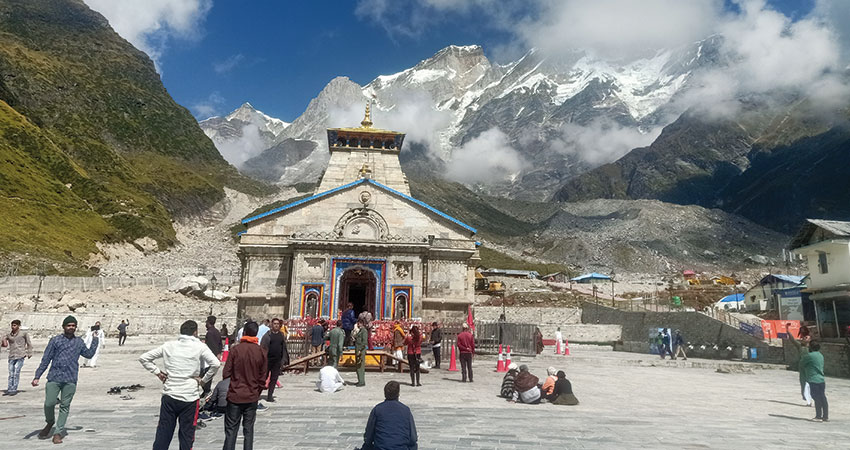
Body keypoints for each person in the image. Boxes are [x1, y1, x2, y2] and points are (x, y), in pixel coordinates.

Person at [139, 320, 221, 450]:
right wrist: (204, 380)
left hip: (170, 394)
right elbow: (215, 364)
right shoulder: (200, 346)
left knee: (163, 432)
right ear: (195, 332)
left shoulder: (169, 345)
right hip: (190, 397)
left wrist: (158, 372)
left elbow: (144, 358)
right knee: (187, 435)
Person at [32, 315, 99, 444]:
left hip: (70, 378)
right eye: (69, 325)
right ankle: (50, 422)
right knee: (49, 403)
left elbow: (89, 354)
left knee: (65, 406)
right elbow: (46, 358)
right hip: (54, 377)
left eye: (73, 326)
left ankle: (58, 432)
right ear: (64, 327)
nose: (71, 327)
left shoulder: (79, 342)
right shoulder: (55, 341)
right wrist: (37, 376)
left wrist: (95, 340)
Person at [222, 321, 267, 450]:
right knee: (248, 430)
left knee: (231, 430)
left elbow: (226, 373)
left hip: (235, 395)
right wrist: (256, 391)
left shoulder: (235, 350)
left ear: (245, 332)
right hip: (251, 396)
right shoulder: (261, 352)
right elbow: (263, 377)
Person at [361, 381, 417, 450]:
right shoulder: (406, 410)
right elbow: (413, 438)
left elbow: (368, 436)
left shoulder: (377, 409)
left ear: (385, 394)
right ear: (398, 394)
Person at [260, 318, 290, 402]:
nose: (276, 325)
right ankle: (257, 393)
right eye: (274, 324)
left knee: (274, 379)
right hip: (268, 360)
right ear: (271, 325)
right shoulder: (267, 335)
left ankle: (270, 396)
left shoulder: (281, 335)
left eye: (277, 324)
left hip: (277, 361)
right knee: (263, 377)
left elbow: (283, 348)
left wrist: (284, 359)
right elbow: (263, 347)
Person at [3, 319, 33, 396]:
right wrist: (3, 340)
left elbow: (29, 343)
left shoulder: (23, 334)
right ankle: (10, 388)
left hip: (20, 355)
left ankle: (14, 389)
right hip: (12, 356)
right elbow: (4, 344)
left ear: (18, 326)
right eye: (12, 325)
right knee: (11, 373)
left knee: (16, 372)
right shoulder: (9, 335)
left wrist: (29, 352)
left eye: (15, 325)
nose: (13, 327)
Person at [800, 341, 828, 422]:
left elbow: (801, 363)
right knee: (823, 397)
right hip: (821, 379)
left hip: (813, 379)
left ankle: (818, 416)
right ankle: (825, 416)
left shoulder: (809, 356)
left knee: (816, 397)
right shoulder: (820, 355)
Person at [203, 315, 223, 396]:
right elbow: (220, 344)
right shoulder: (217, 332)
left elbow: (211, 346)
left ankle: (206, 391)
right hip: (215, 355)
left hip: (210, 356)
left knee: (207, 373)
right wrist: (219, 353)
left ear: (209, 323)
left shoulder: (210, 333)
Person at [354, 318, 368, 387]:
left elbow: (364, 342)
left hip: (360, 351)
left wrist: (360, 350)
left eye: (358, 323)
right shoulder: (360, 331)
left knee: (360, 366)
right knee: (358, 366)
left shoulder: (364, 331)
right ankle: (359, 380)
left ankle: (362, 381)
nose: (357, 324)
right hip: (358, 350)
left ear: (362, 323)